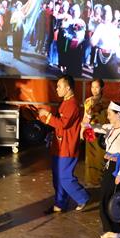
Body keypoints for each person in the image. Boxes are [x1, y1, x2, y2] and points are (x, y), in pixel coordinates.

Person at [37, 75, 90, 213]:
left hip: (67, 147)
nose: (57, 89)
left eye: (59, 86)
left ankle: (82, 197)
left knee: (65, 177)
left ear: (68, 88)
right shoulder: (65, 102)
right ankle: (60, 204)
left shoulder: (72, 104)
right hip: (59, 146)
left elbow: (63, 124)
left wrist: (46, 115)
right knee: (57, 177)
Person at [98, 101, 120, 238]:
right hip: (107, 166)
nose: (108, 117)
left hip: (115, 168)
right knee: (106, 198)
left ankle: (115, 230)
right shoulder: (111, 128)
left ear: (118, 114)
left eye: (110, 114)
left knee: (107, 199)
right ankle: (112, 229)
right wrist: (87, 121)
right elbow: (96, 127)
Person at [81, 78, 109, 188]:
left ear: (101, 88)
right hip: (90, 132)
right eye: (92, 87)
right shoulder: (88, 101)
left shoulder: (106, 102)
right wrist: (82, 130)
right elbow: (85, 117)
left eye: (97, 87)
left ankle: (100, 180)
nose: (94, 89)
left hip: (102, 133)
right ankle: (90, 180)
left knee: (100, 157)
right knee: (90, 157)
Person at [90, 5, 120, 79]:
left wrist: (119, 58)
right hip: (101, 57)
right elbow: (92, 42)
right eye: (105, 14)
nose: (107, 17)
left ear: (111, 16)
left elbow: (117, 44)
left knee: (112, 79)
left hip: (112, 58)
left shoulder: (114, 28)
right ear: (102, 15)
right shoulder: (100, 27)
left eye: (109, 14)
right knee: (99, 79)